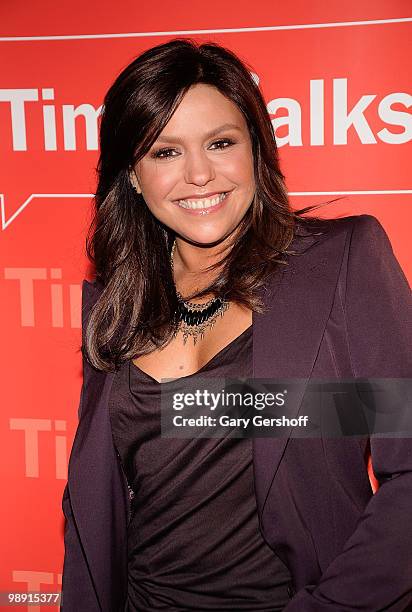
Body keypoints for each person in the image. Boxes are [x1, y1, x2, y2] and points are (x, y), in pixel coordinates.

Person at [61, 39, 412, 611]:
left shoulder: (339, 265)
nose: (200, 174)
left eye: (221, 143)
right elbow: (96, 507)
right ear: (132, 175)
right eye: (165, 152)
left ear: (256, 150)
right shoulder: (117, 302)